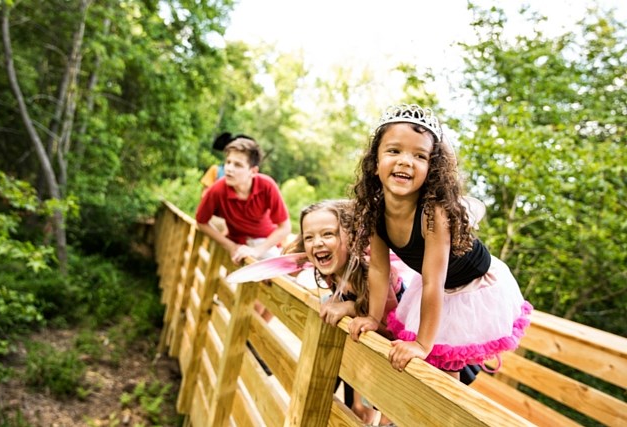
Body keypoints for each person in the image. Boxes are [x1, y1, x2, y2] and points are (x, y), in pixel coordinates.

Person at [347, 103, 533, 380]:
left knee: (442, 361)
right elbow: (378, 269)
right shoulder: (375, 210)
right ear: (374, 164)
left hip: (472, 287)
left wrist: (422, 344)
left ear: (430, 170)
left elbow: (435, 281)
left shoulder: (434, 213)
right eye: (394, 150)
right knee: (431, 361)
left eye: (419, 156)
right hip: (438, 286)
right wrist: (373, 318)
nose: (405, 161)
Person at [284, 199, 401, 425]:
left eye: (328, 234)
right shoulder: (332, 269)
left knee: (382, 417)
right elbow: (292, 261)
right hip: (366, 352)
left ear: (351, 236)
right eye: (309, 237)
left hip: (397, 353)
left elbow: (391, 324)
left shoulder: (370, 271)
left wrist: (350, 307)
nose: (317, 243)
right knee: (358, 409)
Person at [195, 135, 291, 264]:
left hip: (265, 243)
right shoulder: (217, 189)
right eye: (228, 162)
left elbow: (285, 227)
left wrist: (257, 250)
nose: (229, 169)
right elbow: (201, 221)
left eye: (238, 165)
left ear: (253, 171)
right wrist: (229, 245)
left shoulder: (267, 185)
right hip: (236, 243)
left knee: (282, 275)